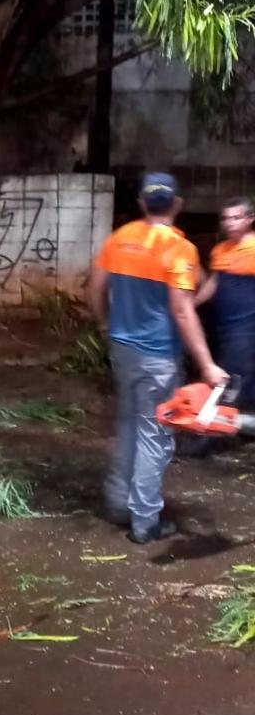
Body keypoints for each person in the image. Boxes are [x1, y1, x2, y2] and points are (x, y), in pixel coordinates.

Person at [87, 173, 228, 544]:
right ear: (177, 204)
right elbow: (183, 310)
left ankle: (119, 503)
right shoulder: (178, 249)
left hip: (123, 351)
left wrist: (105, 324)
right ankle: (145, 521)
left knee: (129, 426)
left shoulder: (119, 239)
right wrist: (208, 363)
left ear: (142, 204)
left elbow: (95, 288)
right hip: (157, 357)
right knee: (155, 436)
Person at [196, 197, 255, 409]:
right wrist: (191, 304)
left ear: (250, 218)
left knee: (235, 379)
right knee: (230, 375)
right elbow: (214, 281)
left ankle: (228, 429)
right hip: (221, 326)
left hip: (246, 328)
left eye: (236, 218)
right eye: (226, 218)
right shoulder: (220, 249)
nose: (230, 223)